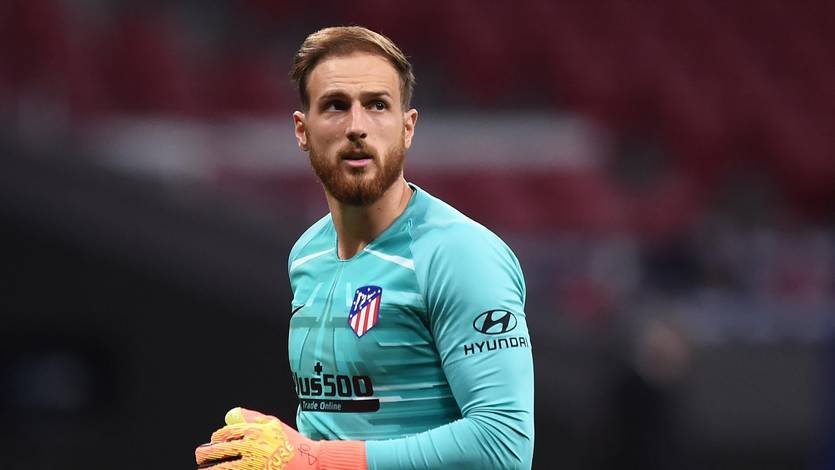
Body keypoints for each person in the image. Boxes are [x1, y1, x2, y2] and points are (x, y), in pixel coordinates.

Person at [195, 26, 534, 470]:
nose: (357, 126)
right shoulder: (307, 254)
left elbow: (504, 445)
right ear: (302, 130)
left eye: (377, 105)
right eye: (336, 106)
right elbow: (333, 431)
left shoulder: (460, 255)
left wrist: (317, 460)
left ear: (407, 127)